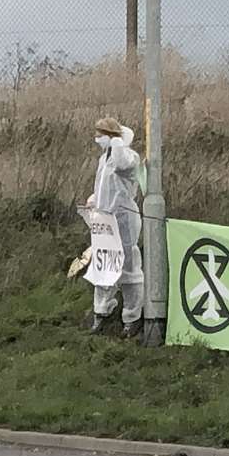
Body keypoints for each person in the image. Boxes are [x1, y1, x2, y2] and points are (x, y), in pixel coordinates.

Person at [85, 116, 144, 338]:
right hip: (104, 221)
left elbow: (123, 167)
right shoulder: (104, 159)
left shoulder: (128, 156)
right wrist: (94, 200)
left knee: (128, 268)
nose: (97, 139)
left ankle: (132, 317)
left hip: (124, 219)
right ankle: (101, 313)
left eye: (101, 135)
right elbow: (103, 185)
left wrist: (117, 141)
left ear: (112, 136)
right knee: (103, 268)